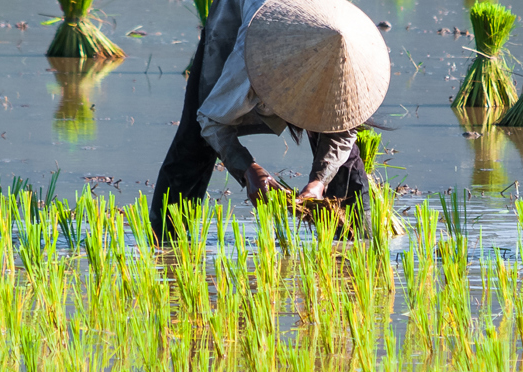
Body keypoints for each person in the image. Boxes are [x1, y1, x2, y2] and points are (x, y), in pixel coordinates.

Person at [149, 0, 389, 240]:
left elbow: (343, 130)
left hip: (320, 28)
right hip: (239, 21)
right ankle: (165, 240)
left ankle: (358, 239)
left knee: (339, 141)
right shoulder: (254, 53)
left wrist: (319, 181)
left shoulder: (344, 44)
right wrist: (248, 170)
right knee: (195, 138)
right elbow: (212, 120)